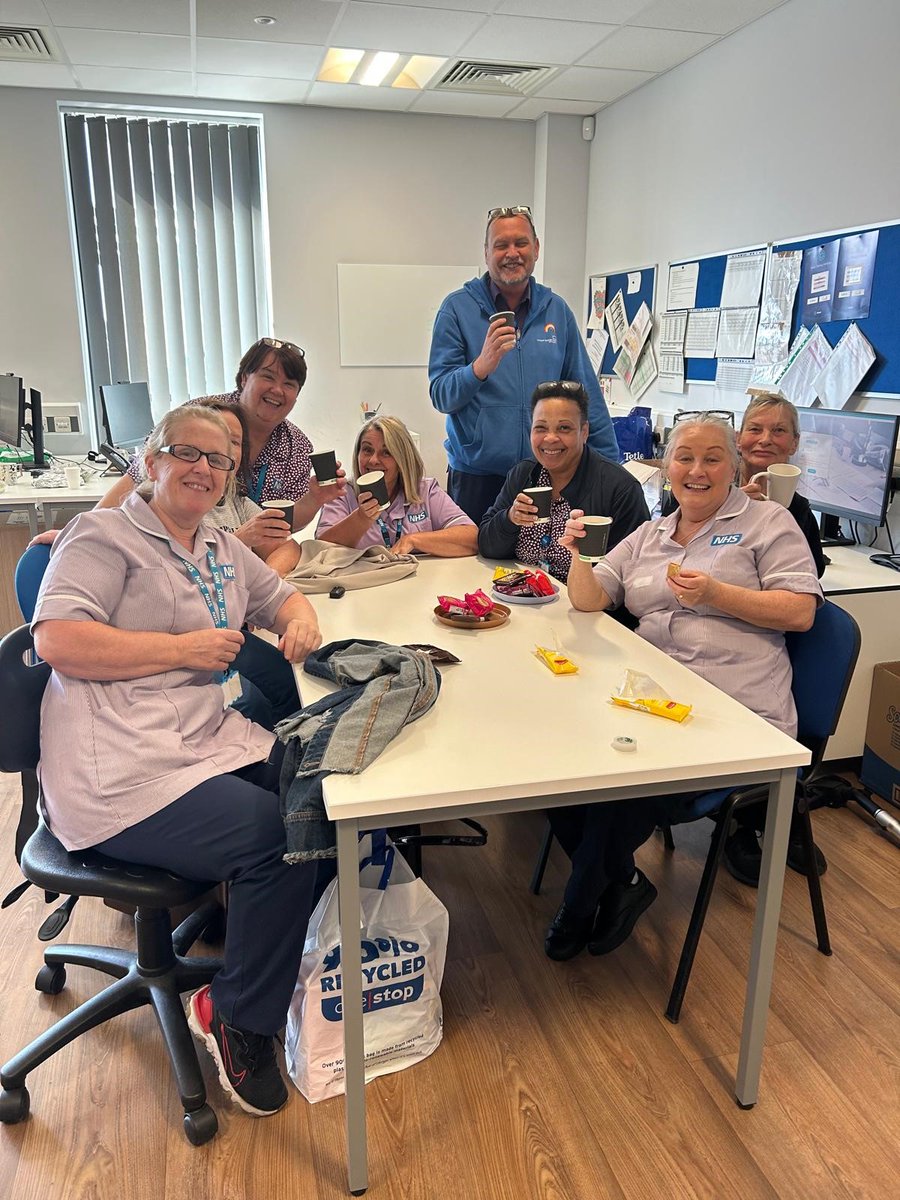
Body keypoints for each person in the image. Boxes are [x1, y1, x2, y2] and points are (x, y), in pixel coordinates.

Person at [31, 404, 323, 1116]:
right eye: (186, 453)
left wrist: (300, 619)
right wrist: (182, 651)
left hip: (196, 743)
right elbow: (57, 641)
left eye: (218, 460)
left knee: (322, 791)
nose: (203, 468)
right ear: (150, 462)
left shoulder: (218, 544)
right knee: (279, 836)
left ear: (228, 476)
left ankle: (269, 964)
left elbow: (280, 593)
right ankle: (238, 1018)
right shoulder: (101, 536)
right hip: (120, 769)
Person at [542, 414, 822, 962]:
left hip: (735, 714)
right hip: (654, 701)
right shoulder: (652, 532)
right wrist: (577, 555)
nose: (697, 470)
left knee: (623, 783)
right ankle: (620, 881)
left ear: (734, 465)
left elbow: (802, 612)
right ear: (665, 467)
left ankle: (580, 903)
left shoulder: (770, 523)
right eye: (684, 457)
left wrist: (717, 594)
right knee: (554, 760)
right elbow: (590, 598)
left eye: (712, 457)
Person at [428, 206, 619, 523]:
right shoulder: (456, 309)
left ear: (537, 248)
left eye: (521, 243)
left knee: (538, 565)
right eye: (501, 245)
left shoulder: (556, 311)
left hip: (545, 474)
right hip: (477, 477)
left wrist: (612, 469)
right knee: (473, 564)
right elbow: (441, 395)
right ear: (487, 252)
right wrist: (481, 366)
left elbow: (586, 396)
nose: (511, 253)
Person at [724, 394, 828, 881]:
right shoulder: (708, 489)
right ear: (739, 438)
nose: (766, 439)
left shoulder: (799, 507)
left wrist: (775, 519)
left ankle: (775, 812)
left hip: (772, 625)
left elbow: (812, 571)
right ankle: (747, 821)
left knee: (786, 696)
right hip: (720, 624)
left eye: (779, 431)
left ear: (794, 445)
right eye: (755, 429)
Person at [99, 337, 346, 529]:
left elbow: (281, 526)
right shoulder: (198, 416)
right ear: (244, 379)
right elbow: (136, 481)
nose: (277, 390)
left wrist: (314, 500)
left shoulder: (297, 447)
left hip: (252, 556)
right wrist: (90, 530)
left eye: (289, 385)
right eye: (267, 377)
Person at [478, 380, 649, 583]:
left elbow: (633, 572)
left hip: (584, 608)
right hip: (522, 597)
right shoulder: (524, 474)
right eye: (541, 428)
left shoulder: (620, 488)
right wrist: (509, 518)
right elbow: (486, 546)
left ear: (584, 432)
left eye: (564, 428)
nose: (550, 438)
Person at [267, 416, 477, 572]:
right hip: (361, 592)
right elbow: (321, 550)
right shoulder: (343, 493)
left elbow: (471, 537)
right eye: (367, 450)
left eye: (387, 452)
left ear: (403, 459)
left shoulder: (425, 490)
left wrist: (414, 540)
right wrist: (362, 518)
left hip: (417, 589)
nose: (374, 460)